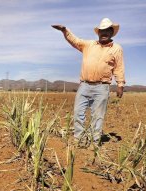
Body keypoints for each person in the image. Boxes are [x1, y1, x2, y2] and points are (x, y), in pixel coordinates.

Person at [52, 18, 125, 146]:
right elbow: (75, 41)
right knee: (78, 113)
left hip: (102, 87)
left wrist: (120, 84)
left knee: (98, 116)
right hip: (84, 85)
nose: (104, 33)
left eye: (107, 30)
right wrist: (64, 30)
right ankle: (79, 140)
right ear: (98, 33)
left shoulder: (116, 49)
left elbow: (119, 67)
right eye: (102, 31)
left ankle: (94, 141)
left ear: (111, 33)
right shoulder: (89, 45)